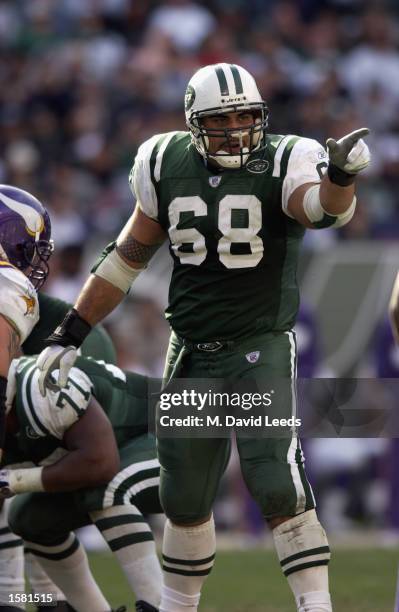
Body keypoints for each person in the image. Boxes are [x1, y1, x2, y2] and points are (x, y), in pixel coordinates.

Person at [36, 63, 371, 612]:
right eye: (223, 118)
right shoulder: (165, 161)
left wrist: (340, 178)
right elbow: (126, 258)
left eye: (246, 115)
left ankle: (317, 607)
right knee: (183, 496)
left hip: (258, 343)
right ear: (194, 122)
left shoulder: (287, 157)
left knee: (274, 481)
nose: (238, 128)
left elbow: (317, 211)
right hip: (190, 348)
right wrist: (70, 330)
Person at [2, 354, 161, 612]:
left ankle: (159, 604)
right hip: (122, 451)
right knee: (27, 517)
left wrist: (13, 480)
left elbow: (100, 464)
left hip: (177, 424)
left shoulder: (40, 388)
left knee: (105, 488)